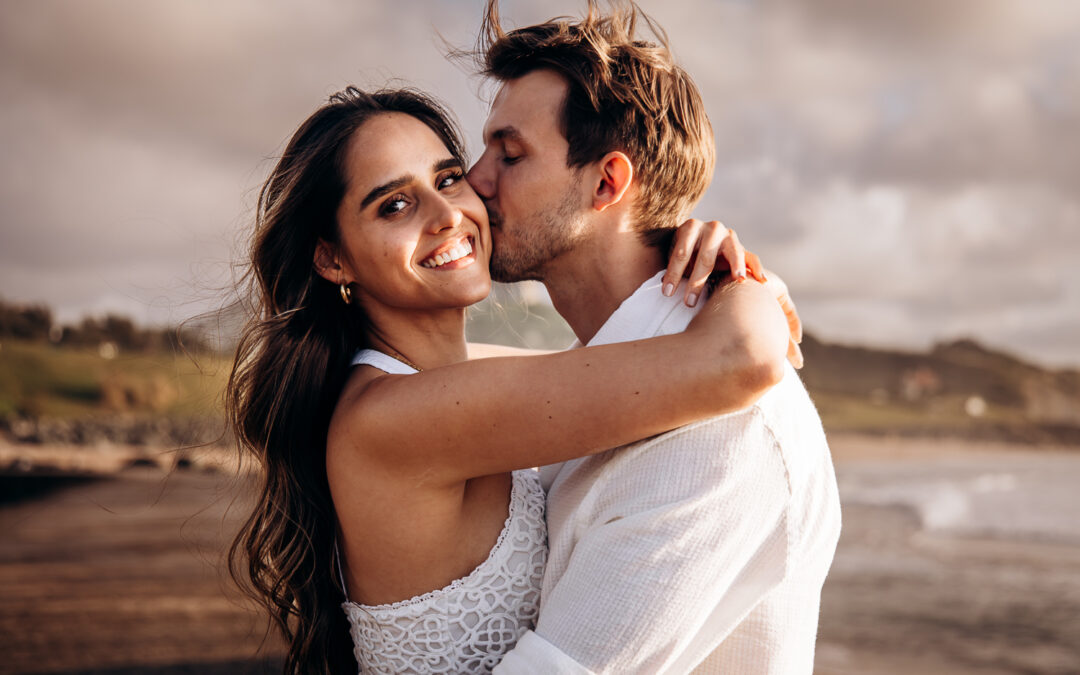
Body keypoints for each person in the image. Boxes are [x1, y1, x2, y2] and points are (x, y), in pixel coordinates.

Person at [226, 87, 794, 674]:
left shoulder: (453, 379)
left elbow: (603, 354)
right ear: (332, 260)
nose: (447, 214)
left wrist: (702, 247)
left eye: (447, 178)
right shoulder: (396, 416)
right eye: (393, 205)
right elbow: (743, 359)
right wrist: (746, 281)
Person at [460, 2, 843, 673]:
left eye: (510, 154)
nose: (474, 180)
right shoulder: (615, 368)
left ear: (608, 182)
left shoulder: (720, 430)